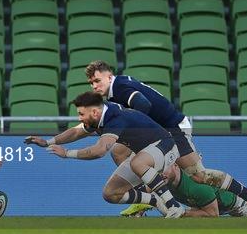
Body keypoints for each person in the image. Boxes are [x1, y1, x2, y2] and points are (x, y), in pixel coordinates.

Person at [82, 60, 247, 217]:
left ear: (109, 77)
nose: (94, 86)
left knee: (199, 176)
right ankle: (146, 198)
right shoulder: (117, 88)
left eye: (97, 80)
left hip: (173, 128)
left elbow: (142, 104)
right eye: (91, 83)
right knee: (121, 151)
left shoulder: (120, 87)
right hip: (159, 132)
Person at [26, 91, 185, 218]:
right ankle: (154, 200)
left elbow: (99, 150)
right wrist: (48, 142)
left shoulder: (114, 118)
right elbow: (76, 132)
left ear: (94, 112)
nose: (79, 118)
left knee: (137, 163)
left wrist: (67, 153)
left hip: (165, 146)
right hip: (145, 153)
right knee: (111, 194)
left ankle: (174, 206)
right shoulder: (99, 116)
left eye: (81, 114)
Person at [126, 163, 247, 218]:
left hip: (232, 202)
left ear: (175, 166)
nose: (159, 173)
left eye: (163, 168)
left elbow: (213, 215)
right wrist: (139, 208)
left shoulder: (197, 188)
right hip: (205, 202)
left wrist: (182, 212)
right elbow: (146, 191)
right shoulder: (164, 178)